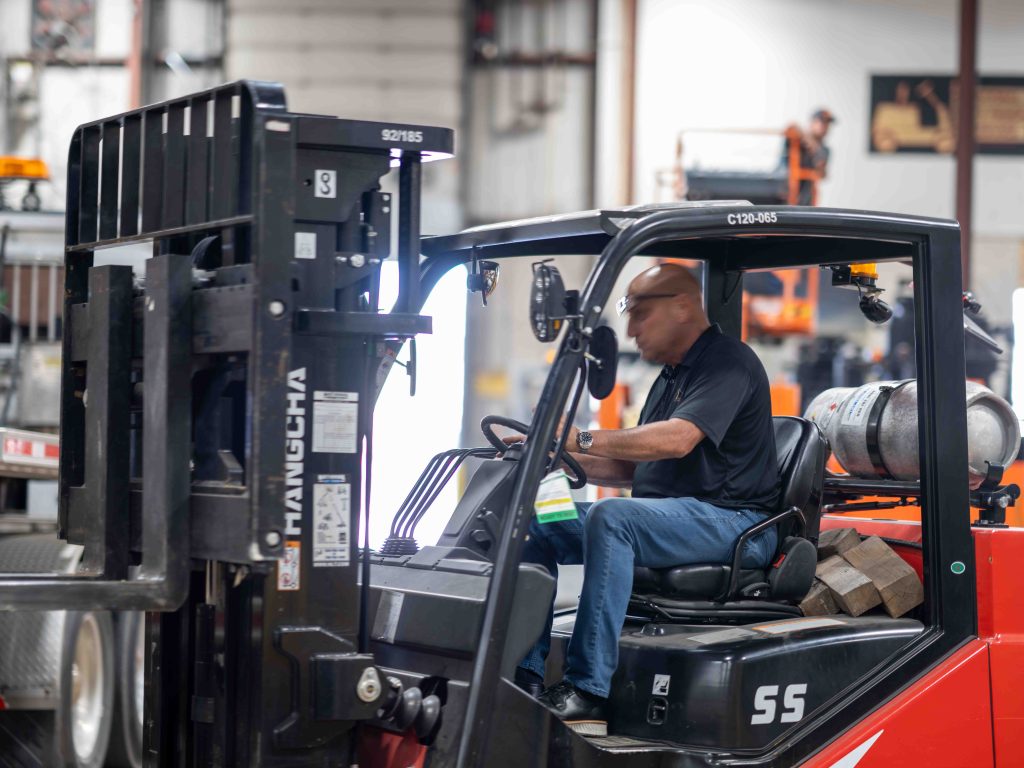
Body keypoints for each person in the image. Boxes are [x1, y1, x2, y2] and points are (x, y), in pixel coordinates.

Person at [514, 263, 781, 736]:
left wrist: (583, 439)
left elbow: (675, 441)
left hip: (735, 523)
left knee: (614, 520)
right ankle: (527, 676)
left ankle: (587, 690)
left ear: (681, 307)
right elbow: (634, 469)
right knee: (536, 523)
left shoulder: (727, 362)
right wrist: (556, 456)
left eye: (640, 314)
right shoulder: (670, 377)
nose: (631, 330)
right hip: (677, 518)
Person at [782, 108, 836, 204]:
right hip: (784, 194)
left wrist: (810, 143)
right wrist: (804, 137)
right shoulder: (797, 139)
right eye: (822, 122)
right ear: (812, 123)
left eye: (827, 123)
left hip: (806, 199)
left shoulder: (825, 150)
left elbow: (822, 171)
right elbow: (792, 127)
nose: (825, 126)